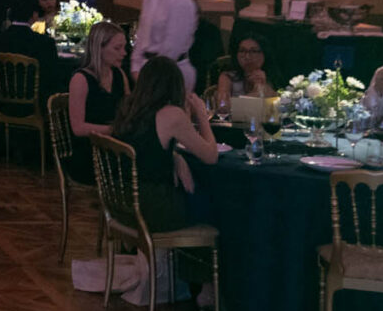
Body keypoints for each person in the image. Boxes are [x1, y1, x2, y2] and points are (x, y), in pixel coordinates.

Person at [106, 55, 218, 233]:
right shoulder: (171, 114)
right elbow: (211, 156)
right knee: (216, 202)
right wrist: (202, 115)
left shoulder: (129, 107)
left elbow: (145, 147)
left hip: (120, 202)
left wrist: (175, 156)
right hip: (152, 207)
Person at [61, 21, 133, 187]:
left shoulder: (119, 75)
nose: (124, 53)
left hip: (114, 147)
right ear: (99, 48)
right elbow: (78, 128)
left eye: (124, 47)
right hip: (90, 153)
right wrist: (114, 130)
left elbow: (128, 111)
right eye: (117, 48)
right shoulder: (81, 79)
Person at [202, 36, 274, 110]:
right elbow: (223, 106)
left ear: (264, 54)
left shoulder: (272, 76)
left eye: (254, 51)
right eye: (242, 51)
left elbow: (276, 106)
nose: (247, 56)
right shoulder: (227, 77)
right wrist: (257, 92)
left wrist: (262, 85)